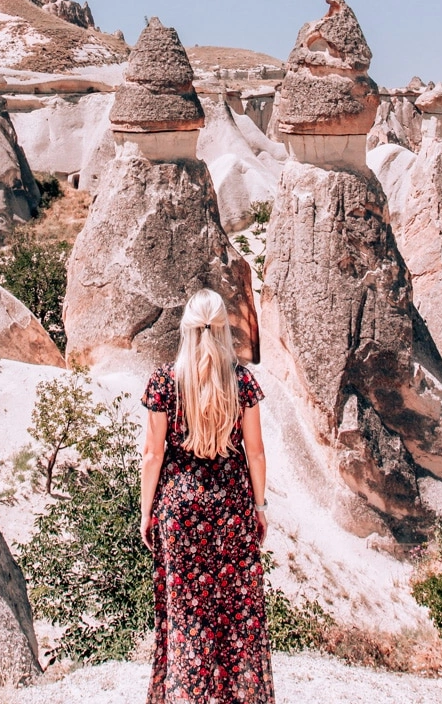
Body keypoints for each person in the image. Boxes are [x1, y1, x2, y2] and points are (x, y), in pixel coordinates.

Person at [140, 288, 275, 704]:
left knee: (186, 616)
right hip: (232, 510)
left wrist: (146, 513)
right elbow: (255, 451)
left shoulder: (165, 381)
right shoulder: (241, 382)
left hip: (180, 513)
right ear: (224, 330)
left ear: (185, 329)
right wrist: (259, 506)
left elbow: (153, 454)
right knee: (236, 615)